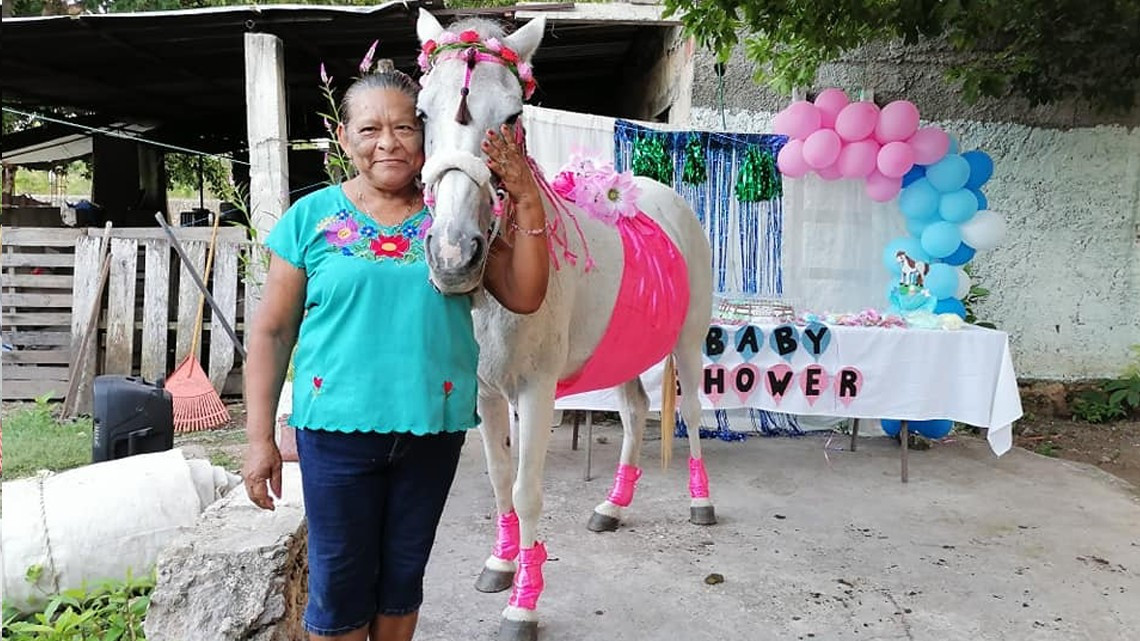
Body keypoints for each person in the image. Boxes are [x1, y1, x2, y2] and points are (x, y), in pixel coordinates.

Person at [242, 59, 549, 641]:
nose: (389, 143)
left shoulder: (452, 218)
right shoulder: (312, 218)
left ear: (426, 134)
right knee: (337, 591)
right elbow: (273, 332)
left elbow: (525, 295)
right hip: (335, 436)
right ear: (345, 138)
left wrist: (525, 198)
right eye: (369, 130)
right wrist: (259, 440)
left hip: (431, 435)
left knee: (403, 581)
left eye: (405, 128)